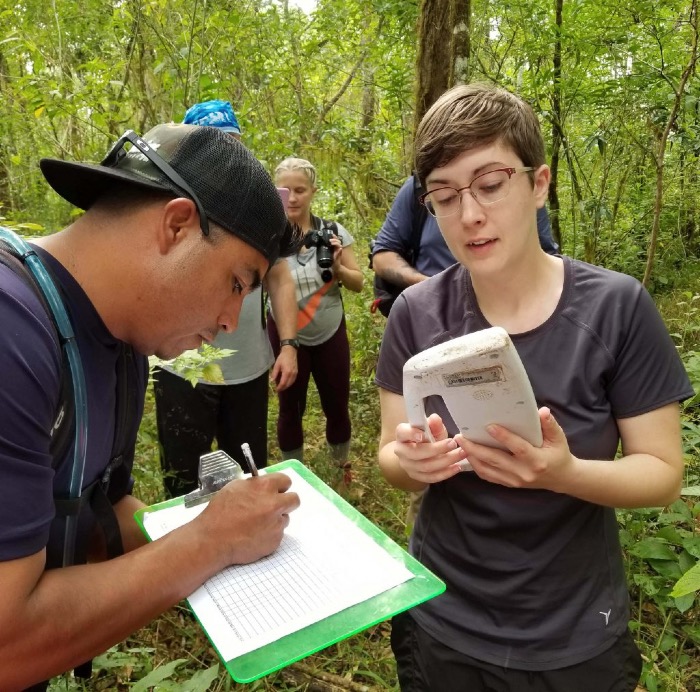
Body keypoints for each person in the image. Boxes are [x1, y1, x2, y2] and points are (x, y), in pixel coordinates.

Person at [375, 84, 693, 692]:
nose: (469, 215)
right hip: (444, 616)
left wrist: (562, 473)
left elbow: (661, 472)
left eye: (491, 185)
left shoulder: (614, 307)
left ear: (538, 183)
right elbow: (391, 456)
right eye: (444, 197)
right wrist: (414, 461)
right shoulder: (416, 312)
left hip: (572, 632)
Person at [0, 123, 301, 690]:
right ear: (177, 224)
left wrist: (218, 521)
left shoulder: (123, 347)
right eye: (238, 283)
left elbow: (97, 513)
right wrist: (210, 540)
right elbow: (5, 645)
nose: (231, 323)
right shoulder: (11, 332)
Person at [153, 100, 299, 497]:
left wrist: (287, 344)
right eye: (209, 146)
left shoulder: (260, 207)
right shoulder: (166, 208)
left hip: (248, 368)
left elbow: (281, 279)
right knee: (183, 480)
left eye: (230, 145)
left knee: (250, 472)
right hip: (184, 365)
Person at [269, 157, 364, 492]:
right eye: (285, 190)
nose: (292, 198)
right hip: (283, 333)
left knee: (336, 403)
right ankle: (291, 480)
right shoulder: (267, 234)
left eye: (300, 190)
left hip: (329, 328)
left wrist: (338, 268)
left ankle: (341, 472)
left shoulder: (333, 232)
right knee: (289, 408)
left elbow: (358, 283)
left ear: (313, 192)